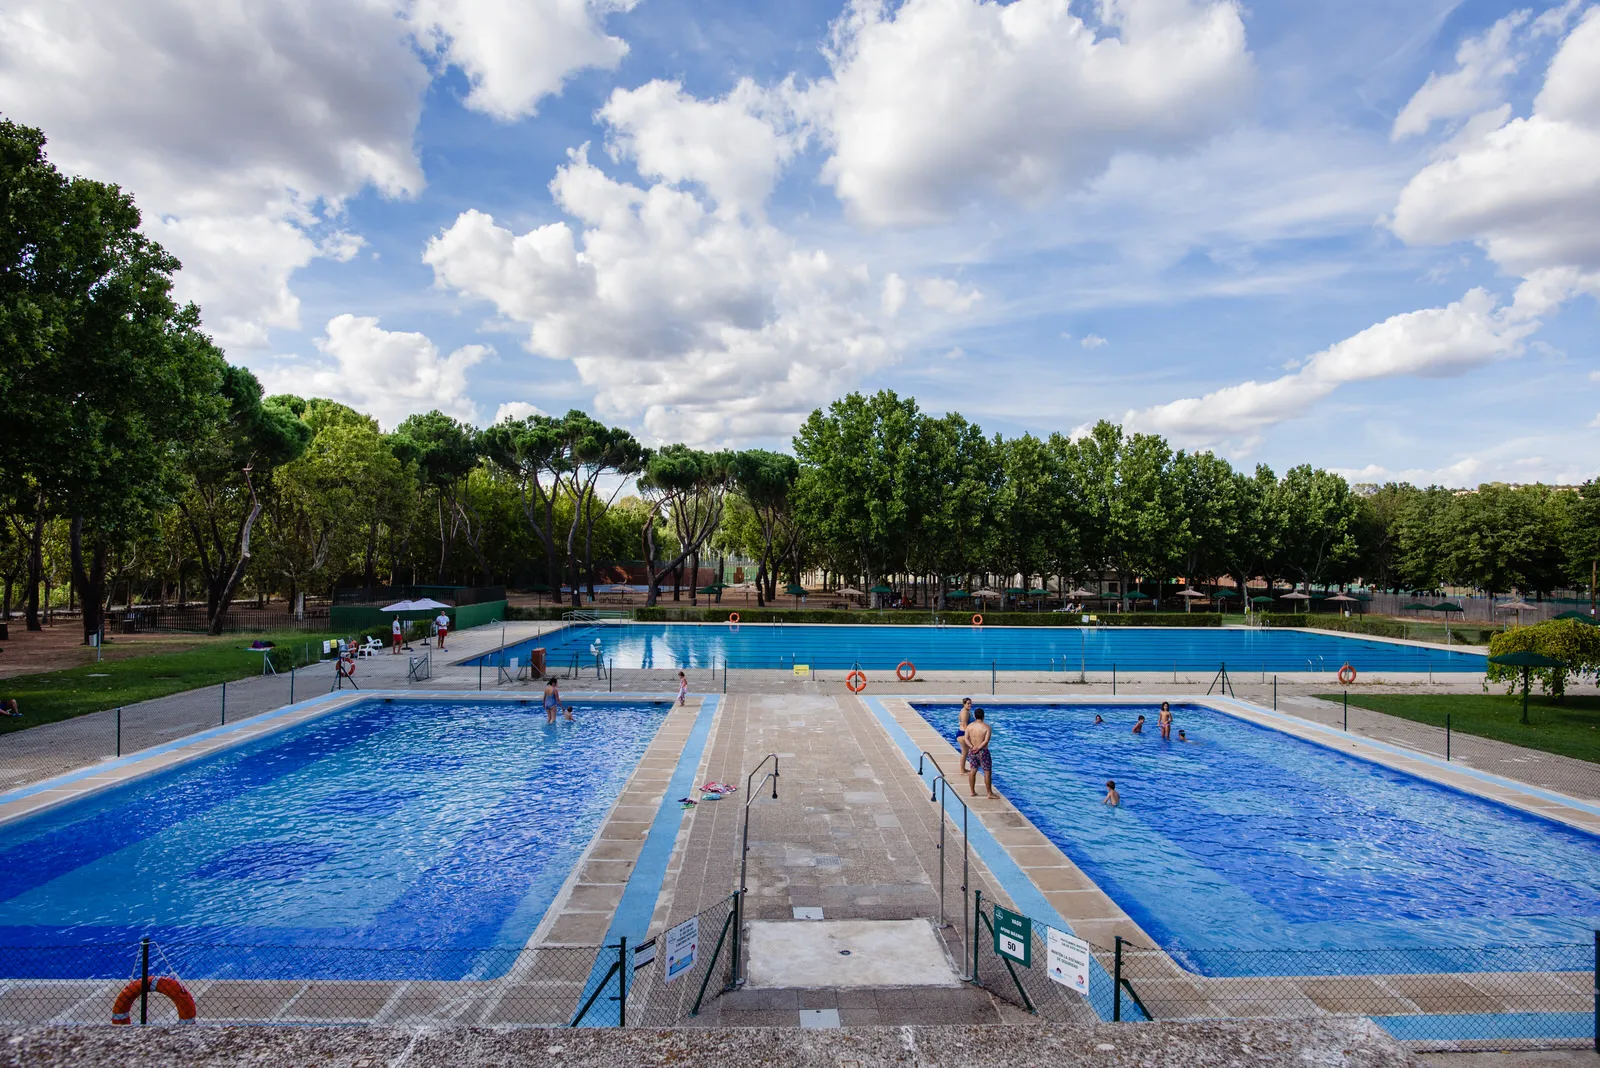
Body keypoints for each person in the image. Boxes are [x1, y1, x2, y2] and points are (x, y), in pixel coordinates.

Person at [964, 708, 996, 799]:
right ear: (983, 716)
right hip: (983, 751)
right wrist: (978, 747)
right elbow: (986, 741)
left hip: (972, 750)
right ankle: (989, 793)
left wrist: (972, 747)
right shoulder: (987, 727)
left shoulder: (969, 726)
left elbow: (966, 738)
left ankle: (972, 791)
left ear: (974, 716)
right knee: (987, 772)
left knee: (973, 770)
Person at [956, 697, 974, 766]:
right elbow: (965, 725)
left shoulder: (965, 711)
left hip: (963, 733)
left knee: (966, 753)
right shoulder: (965, 713)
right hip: (963, 734)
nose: (970, 705)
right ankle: (962, 770)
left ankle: (963, 769)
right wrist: (968, 736)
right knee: (964, 753)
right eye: (968, 703)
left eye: (970, 703)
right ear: (964, 704)